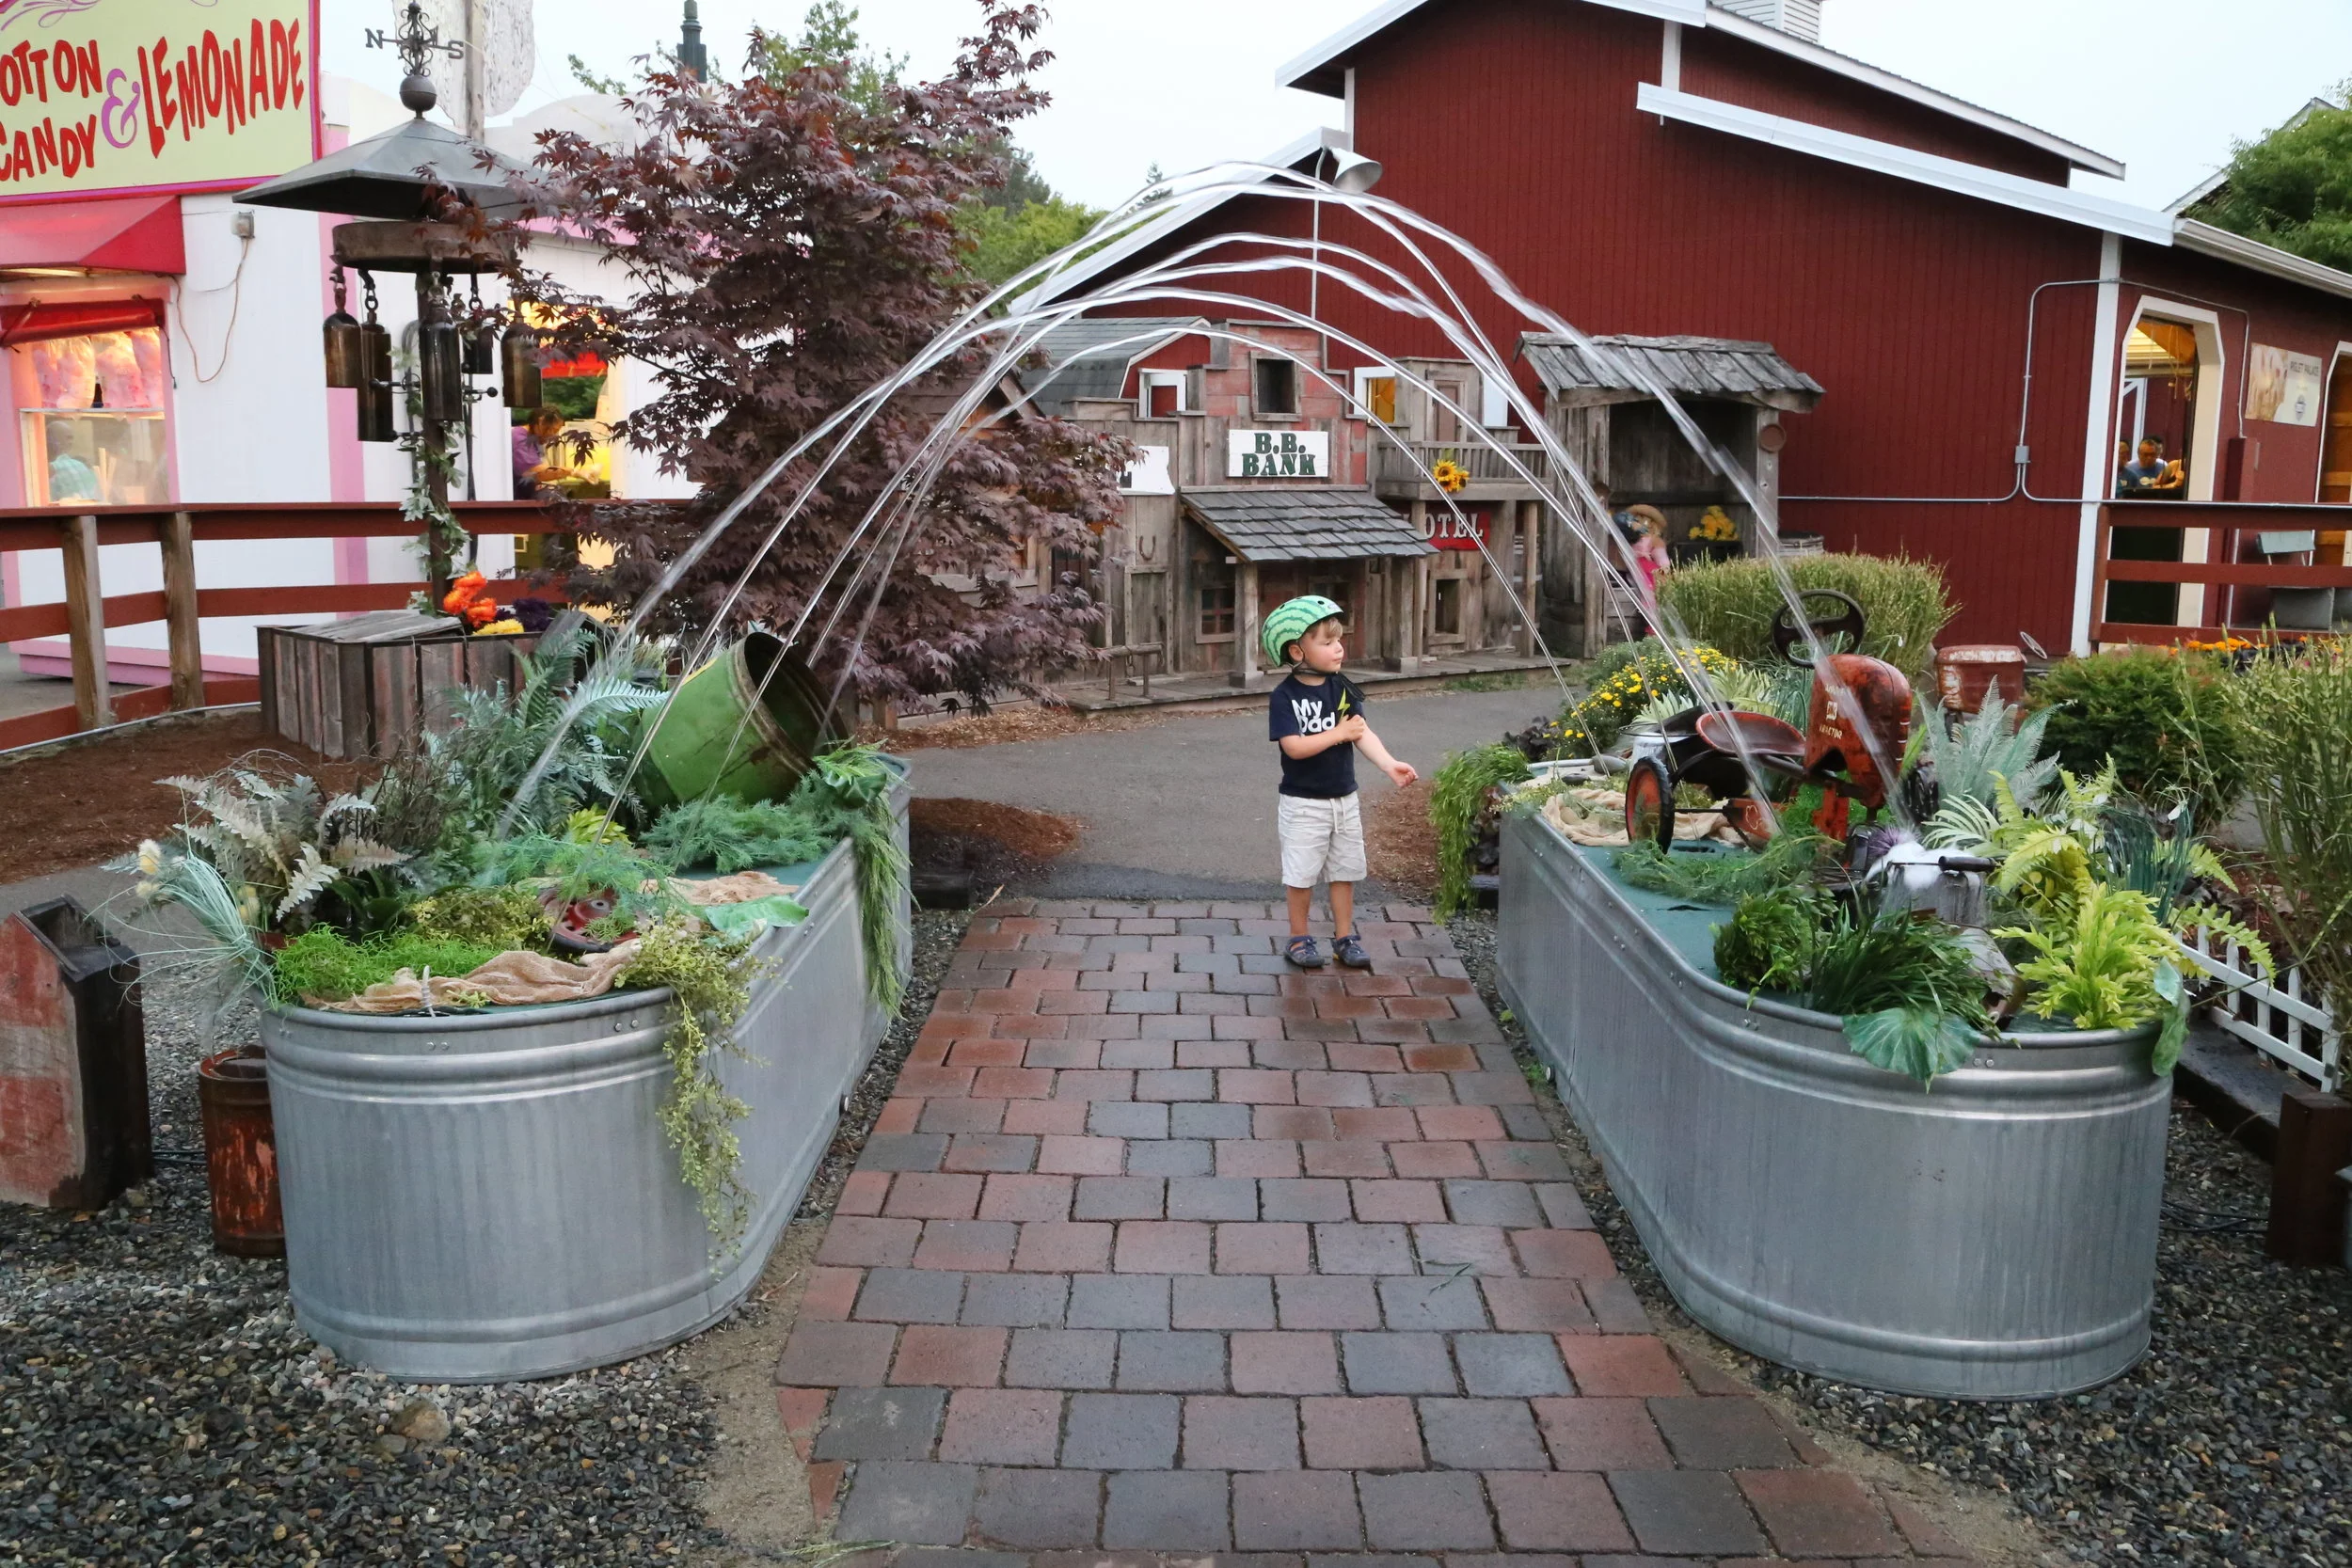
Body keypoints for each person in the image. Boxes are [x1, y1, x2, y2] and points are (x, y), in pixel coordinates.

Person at [1263, 595, 1419, 970]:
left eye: (1339, 640)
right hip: (1303, 803)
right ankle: (1299, 938)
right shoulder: (1284, 696)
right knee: (1301, 874)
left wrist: (1388, 764)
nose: (1338, 648)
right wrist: (1338, 732)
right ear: (1298, 650)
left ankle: (1344, 936)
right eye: (1327, 641)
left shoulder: (1343, 687)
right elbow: (1295, 748)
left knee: (1345, 870)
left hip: (1344, 799)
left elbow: (1361, 732)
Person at [511, 407, 575, 496]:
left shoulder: (535, 440)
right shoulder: (520, 438)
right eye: (553, 430)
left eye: (556, 431)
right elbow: (536, 470)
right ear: (540, 422)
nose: (552, 434)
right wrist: (574, 472)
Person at [2116, 436, 2185, 498]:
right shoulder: (2129, 468)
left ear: (2157, 454)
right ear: (2139, 454)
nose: (2149, 458)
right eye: (2146, 454)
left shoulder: (2163, 467)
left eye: (2152, 454)